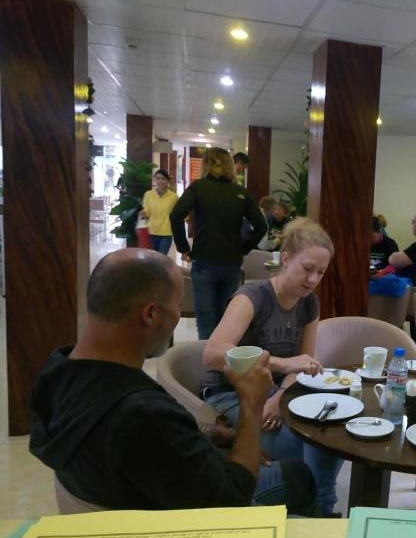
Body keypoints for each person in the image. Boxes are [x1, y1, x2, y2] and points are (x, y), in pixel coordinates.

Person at [29, 249, 317, 514]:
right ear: (151, 314)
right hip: (175, 527)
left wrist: (207, 436)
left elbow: (148, 446)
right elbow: (232, 502)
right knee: (299, 477)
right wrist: (251, 404)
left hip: (129, 490)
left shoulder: (59, 371)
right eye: (178, 305)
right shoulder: (141, 414)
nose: (179, 315)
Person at [200, 218, 343, 516]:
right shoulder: (252, 296)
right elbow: (213, 353)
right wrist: (283, 363)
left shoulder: (309, 303)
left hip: (273, 390)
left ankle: (322, 507)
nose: (313, 279)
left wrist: (280, 397)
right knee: (300, 442)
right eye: (307, 269)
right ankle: (320, 512)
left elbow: (302, 364)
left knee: (328, 430)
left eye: (320, 272)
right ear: (286, 259)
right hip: (230, 390)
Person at [170, 148, 267, 339]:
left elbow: (176, 215)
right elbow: (261, 226)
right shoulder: (240, 192)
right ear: (230, 165)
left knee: (206, 318)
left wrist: (183, 248)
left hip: (204, 259)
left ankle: (206, 353)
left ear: (205, 164)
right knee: (226, 317)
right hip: (232, 262)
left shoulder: (198, 188)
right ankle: (223, 354)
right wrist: (243, 248)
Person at [139, 169, 178, 255]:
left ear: (167, 181)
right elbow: (147, 211)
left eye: (163, 179)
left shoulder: (174, 197)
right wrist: (143, 213)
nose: (160, 181)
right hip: (151, 231)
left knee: (161, 257)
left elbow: (177, 213)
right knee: (152, 258)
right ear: (154, 180)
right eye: (158, 178)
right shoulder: (148, 194)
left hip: (166, 233)